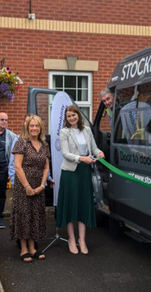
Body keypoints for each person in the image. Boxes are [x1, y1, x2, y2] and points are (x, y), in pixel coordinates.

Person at [56, 105, 104, 255]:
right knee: (71, 205)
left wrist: (100, 152)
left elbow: (94, 149)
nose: (71, 118)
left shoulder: (87, 130)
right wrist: (82, 158)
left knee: (83, 204)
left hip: (84, 172)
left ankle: (81, 239)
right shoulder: (64, 132)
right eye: (68, 116)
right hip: (70, 172)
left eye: (73, 115)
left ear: (78, 115)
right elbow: (65, 153)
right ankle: (71, 239)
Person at [10, 114, 50, 262]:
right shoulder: (21, 142)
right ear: (27, 127)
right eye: (31, 126)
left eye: (36, 126)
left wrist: (41, 185)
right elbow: (17, 167)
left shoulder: (44, 145)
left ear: (40, 128)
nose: (34, 128)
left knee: (35, 215)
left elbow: (46, 167)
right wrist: (27, 186)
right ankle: (24, 249)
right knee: (23, 216)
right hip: (23, 186)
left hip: (38, 187)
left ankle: (33, 248)